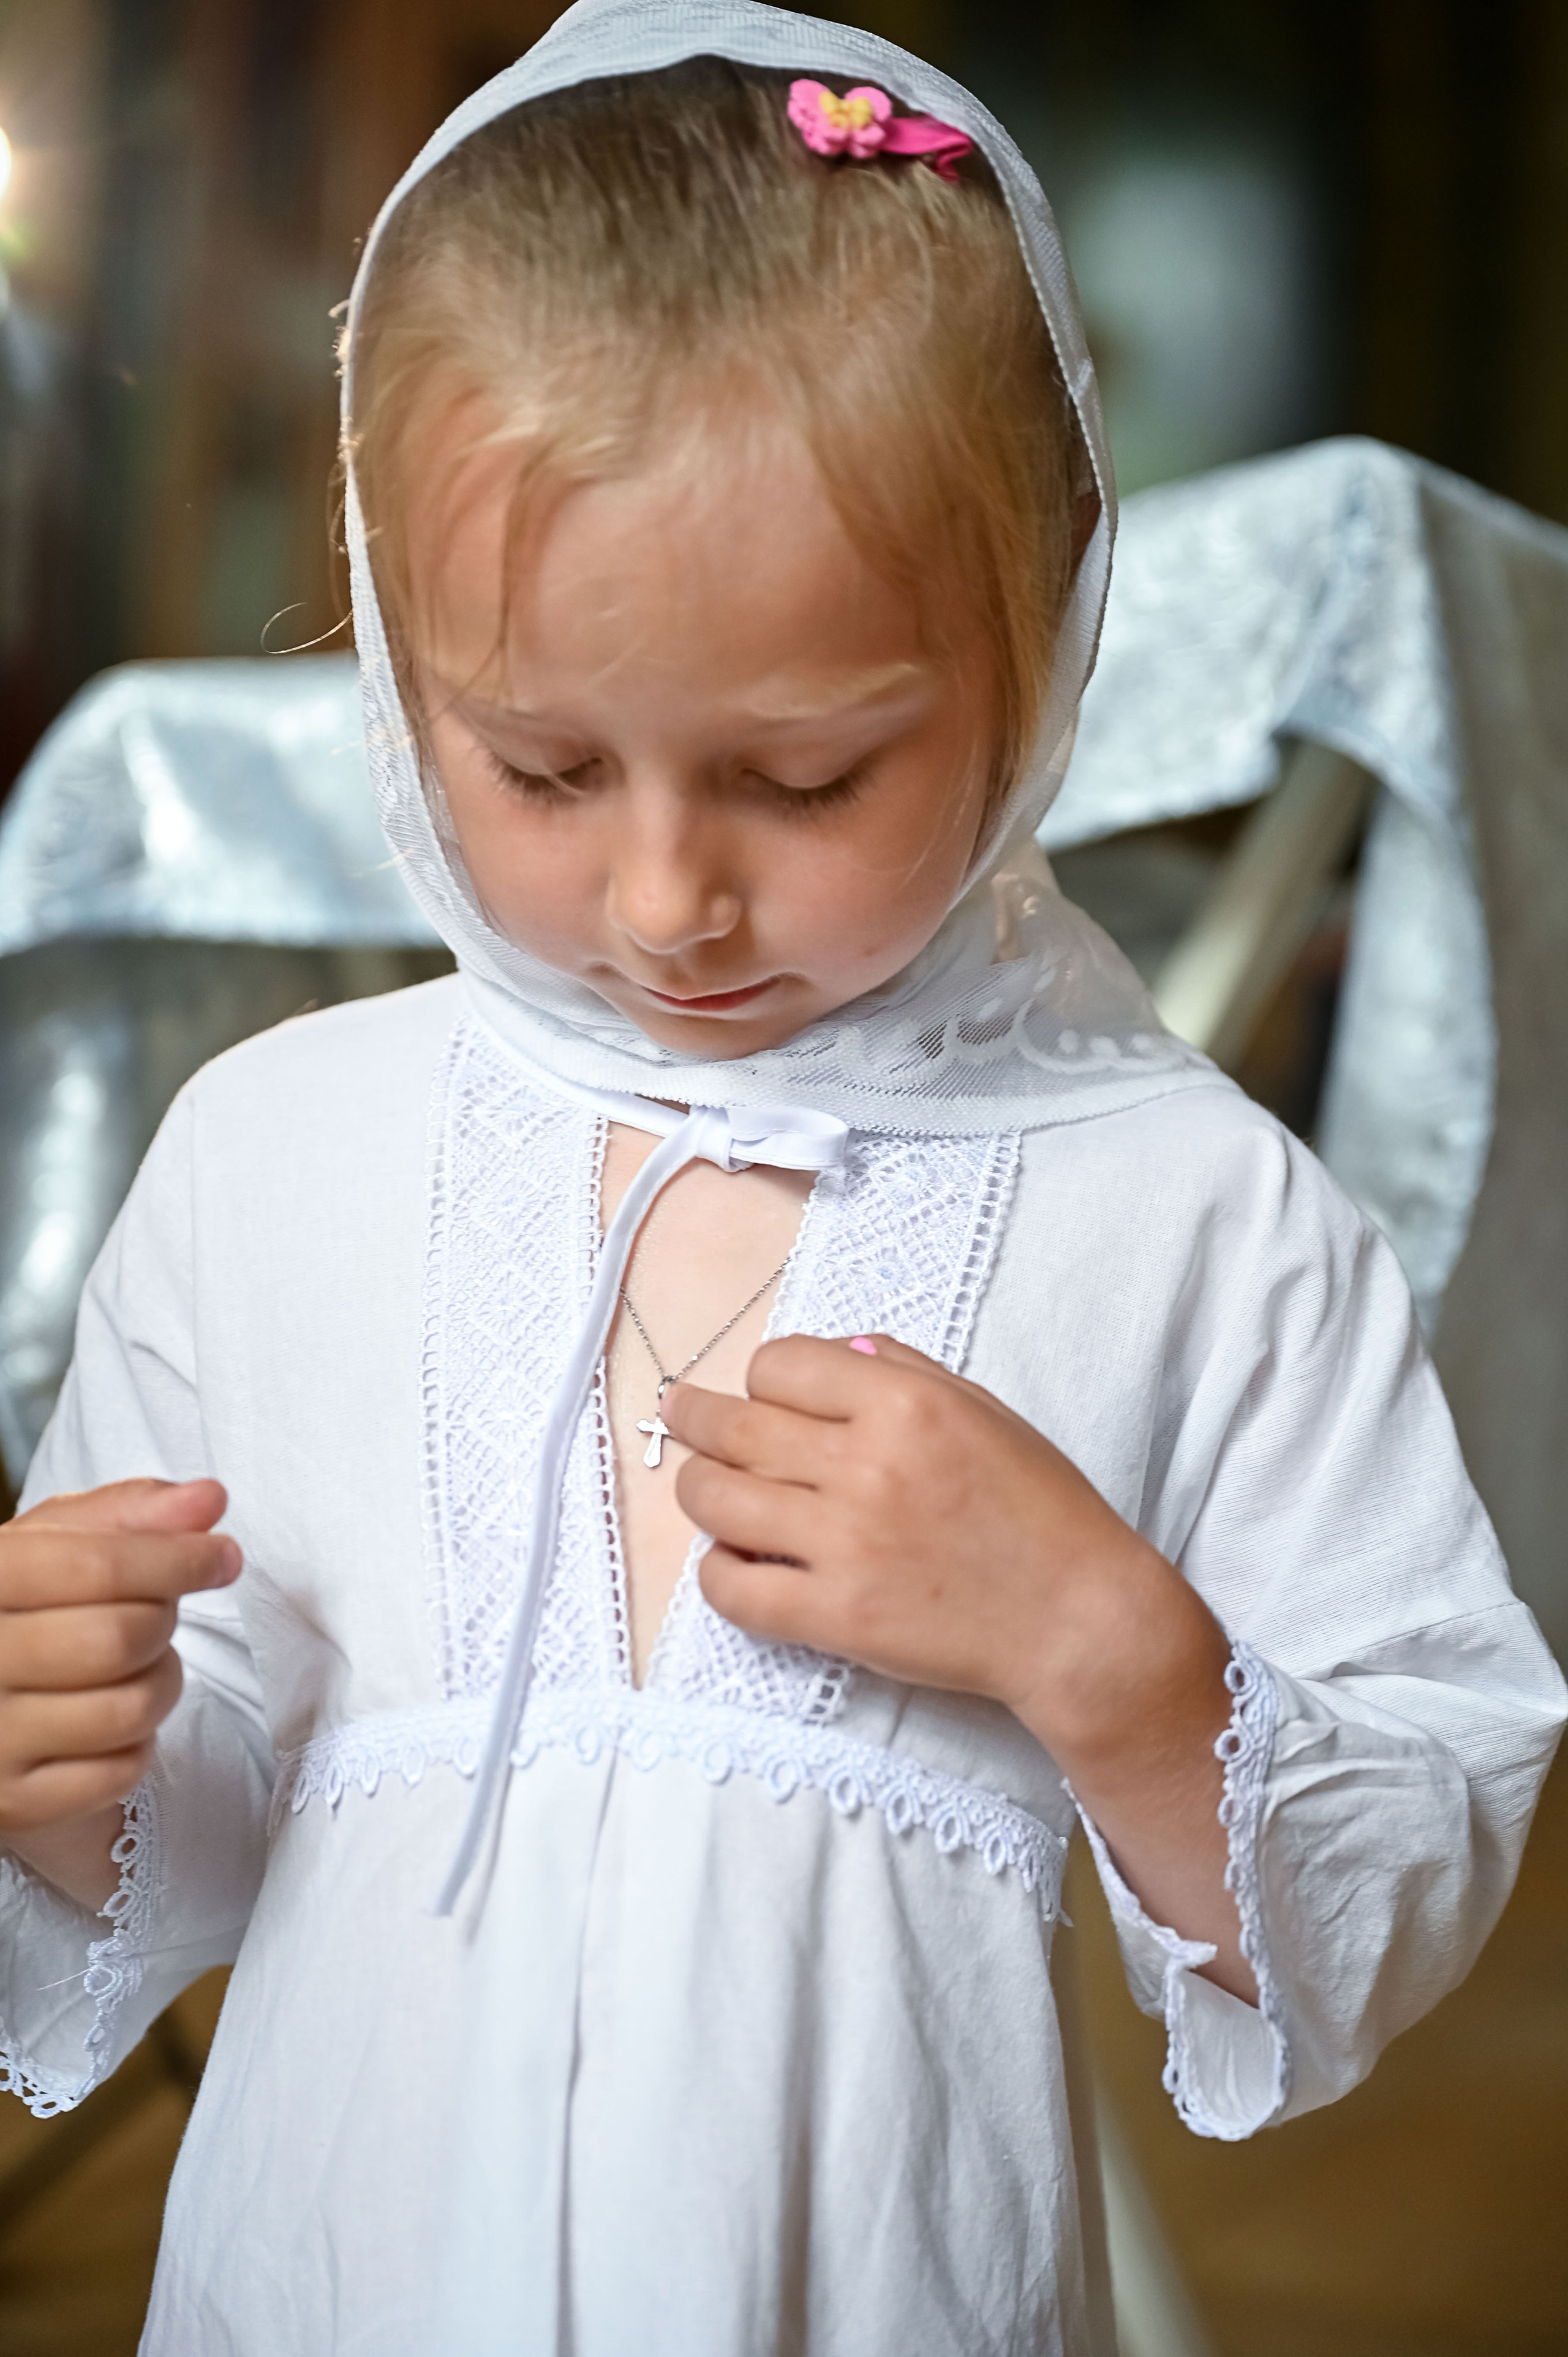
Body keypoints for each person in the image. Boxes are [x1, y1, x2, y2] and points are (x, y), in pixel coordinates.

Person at [1, 6, 1562, 2350]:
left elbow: (1411, 1823)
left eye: (805, 781)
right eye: (534, 762)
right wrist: (61, 1759)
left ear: (1040, 655)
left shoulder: (1190, 1213)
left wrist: (1115, 1659)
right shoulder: (274, 1157)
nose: (661, 902)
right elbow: (209, 1835)